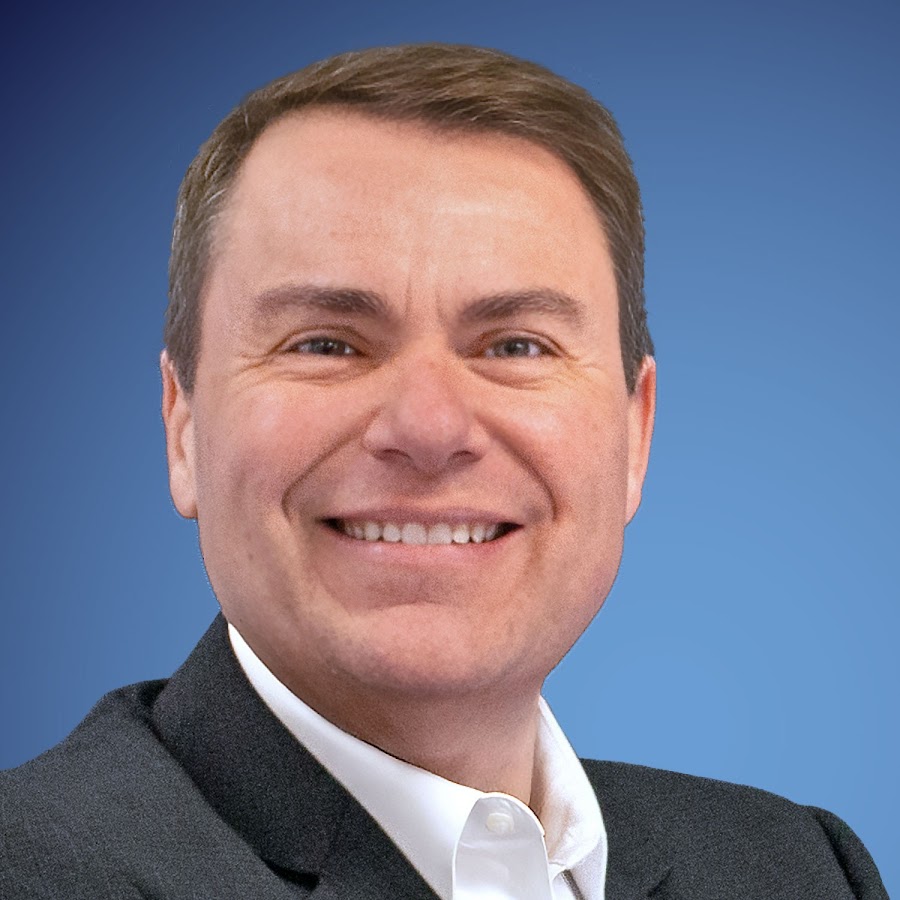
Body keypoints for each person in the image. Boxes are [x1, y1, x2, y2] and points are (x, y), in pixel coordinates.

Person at [0, 44, 887, 900]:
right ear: (182, 425)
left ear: (635, 431)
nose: (429, 427)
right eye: (326, 344)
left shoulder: (797, 867)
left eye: (516, 346)